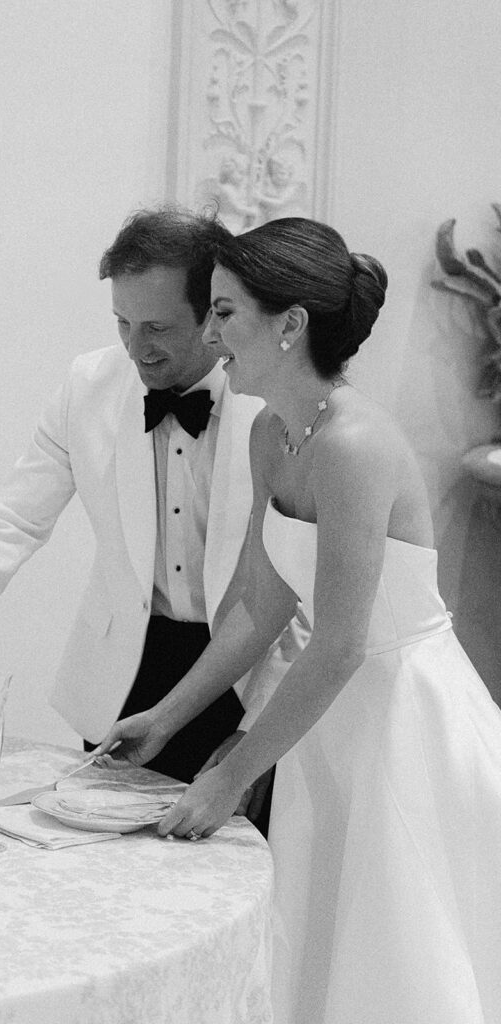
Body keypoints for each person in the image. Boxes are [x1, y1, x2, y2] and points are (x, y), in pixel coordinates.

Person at [93, 217, 501, 1024]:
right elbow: (260, 607)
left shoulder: (357, 446)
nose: (209, 334)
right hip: (329, 719)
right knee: (320, 959)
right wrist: (165, 719)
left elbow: (343, 642)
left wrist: (232, 773)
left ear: (290, 325)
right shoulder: (270, 432)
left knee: (404, 964)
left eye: (224, 313)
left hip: (405, 721)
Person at [0, 206, 300, 806]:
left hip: (247, 675)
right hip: (124, 676)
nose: (136, 347)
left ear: (213, 314)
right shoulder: (88, 387)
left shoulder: (272, 402)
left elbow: (306, 589)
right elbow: (15, 518)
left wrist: (257, 735)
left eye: (157, 327)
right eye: (122, 322)